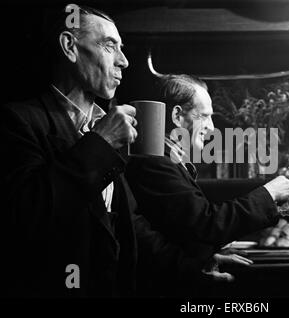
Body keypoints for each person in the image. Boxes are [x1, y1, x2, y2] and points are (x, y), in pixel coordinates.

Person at [0, 4, 237, 297]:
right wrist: (100, 142)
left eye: (122, 49)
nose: (124, 61)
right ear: (69, 47)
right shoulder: (18, 121)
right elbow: (26, 217)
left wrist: (191, 266)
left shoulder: (109, 126)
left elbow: (128, 225)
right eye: (110, 46)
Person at [125, 74, 289, 255]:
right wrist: (269, 194)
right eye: (204, 116)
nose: (211, 127)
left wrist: (207, 260)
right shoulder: (154, 163)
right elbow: (205, 226)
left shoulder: (170, 161)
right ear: (177, 116)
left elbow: (182, 232)